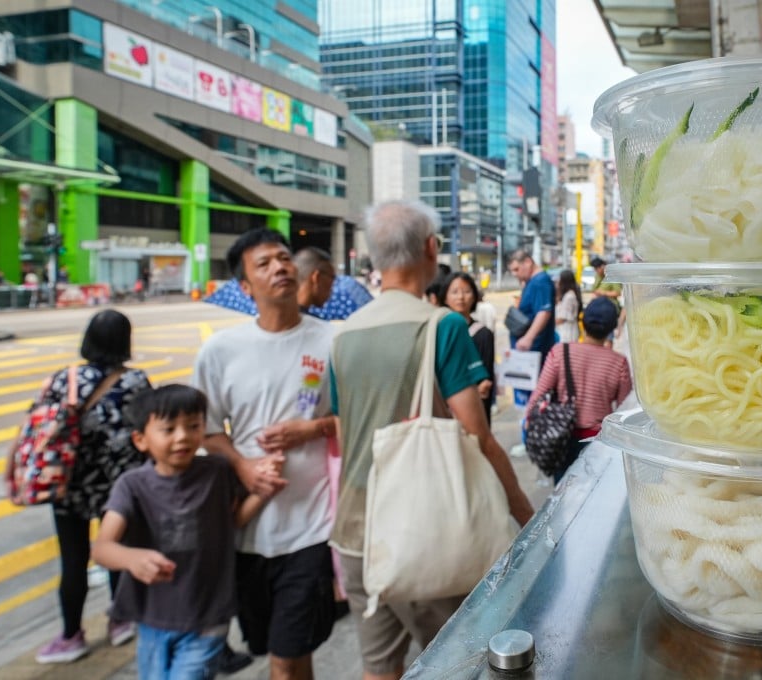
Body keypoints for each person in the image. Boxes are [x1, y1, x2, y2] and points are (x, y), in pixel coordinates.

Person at [330, 199, 534, 680]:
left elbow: (344, 436)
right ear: (430, 248)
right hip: (424, 528)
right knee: (453, 662)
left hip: (356, 532)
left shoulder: (342, 335)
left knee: (379, 667)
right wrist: (524, 512)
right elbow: (477, 435)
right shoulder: (441, 325)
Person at [193, 228, 337, 680]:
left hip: (313, 527)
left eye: (284, 258)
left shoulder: (334, 340)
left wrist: (311, 429)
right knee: (283, 651)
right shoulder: (220, 350)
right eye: (265, 264)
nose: (280, 267)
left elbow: (360, 417)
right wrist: (244, 466)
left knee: (287, 656)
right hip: (248, 529)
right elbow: (208, 430)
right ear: (244, 287)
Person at [92, 385, 268, 679]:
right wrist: (132, 559)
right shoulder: (132, 486)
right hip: (153, 618)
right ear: (140, 439)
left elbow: (233, 521)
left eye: (193, 426)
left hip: (208, 616)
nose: (183, 436)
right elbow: (102, 548)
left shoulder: (218, 471)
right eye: (168, 429)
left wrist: (262, 492)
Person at [9, 310, 153, 664]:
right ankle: (121, 620)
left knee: (73, 561)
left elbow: (35, 425)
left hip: (68, 483)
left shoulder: (66, 378)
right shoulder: (136, 382)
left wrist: (12, 465)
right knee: (117, 553)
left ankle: (71, 635)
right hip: (119, 487)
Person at [525, 297, 633, 484]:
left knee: (563, 491)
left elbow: (539, 393)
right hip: (598, 441)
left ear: (583, 322)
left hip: (561, 437)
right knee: (590, 494)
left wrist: (530, 421)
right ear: (611, 329)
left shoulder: (560, 352)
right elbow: (624, 410)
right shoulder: (619, 362)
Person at [441, 271, 495, 425]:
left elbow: (486, 379)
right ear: (445, 297)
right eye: (455, 292)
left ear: (474, 296)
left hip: (474, 409)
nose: (461, 297)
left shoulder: (483, 334)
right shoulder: (439, 331)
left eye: (466, 291)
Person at [508, 250, 556, 355]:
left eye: (517, 269)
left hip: (534, 348)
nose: (515, 274)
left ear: (528, 262)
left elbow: (544, 311)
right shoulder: (532, 281)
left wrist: (528, 338)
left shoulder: (540, 281)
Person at [294, 247, 336, 314]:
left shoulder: (278, 314)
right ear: (316, 277)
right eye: (332, 277)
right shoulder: (305, 321)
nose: (333, 285)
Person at [554, 269, 582, 344]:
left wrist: (549, 323)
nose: (558, 281)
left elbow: (563, 318)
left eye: (559, 279)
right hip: (564, 332)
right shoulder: (566, 295)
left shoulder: (569, 296)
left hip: (567, 334)